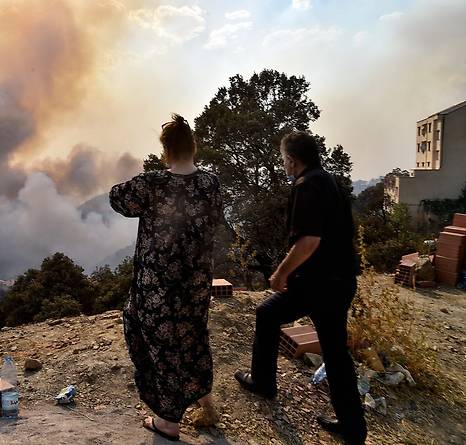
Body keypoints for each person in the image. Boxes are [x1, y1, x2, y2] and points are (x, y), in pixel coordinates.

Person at [234, 131, 367, 444]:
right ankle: (353, 426)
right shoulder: (332, 181)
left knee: (266, 313)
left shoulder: (306, 185)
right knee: (335, 352)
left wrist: (281, 274)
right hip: (341, 281)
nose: (283, 164)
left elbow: (309, 240)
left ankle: (263, 383)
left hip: (316, 285)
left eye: (284, 159)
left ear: (292, 160)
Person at [109, 114, 223, 442]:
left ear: (166, 151)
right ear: (193, 147)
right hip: (196, 284)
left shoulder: (154, 184)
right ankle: (204, 400)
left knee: (156, 343)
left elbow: (118, 198)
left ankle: (168, 421)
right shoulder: (210, 183)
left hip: (156, 287)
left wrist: (143, 176)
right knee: (192, 337)